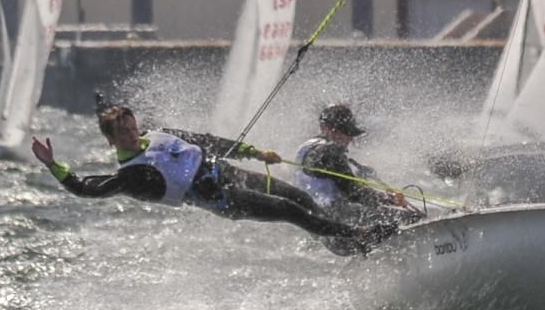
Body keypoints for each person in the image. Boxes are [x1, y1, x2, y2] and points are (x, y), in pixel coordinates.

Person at [31, 106, 390, 253]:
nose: (129, 133)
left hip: (234, 174)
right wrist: (53, 165)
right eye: (121, 133)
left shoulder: (158, 134)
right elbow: (87, 189)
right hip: (224, 199)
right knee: (287, 210)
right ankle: (360, 237)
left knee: (301, 198)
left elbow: (208, 142)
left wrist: (253, 151)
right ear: (110, 140)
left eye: (130, 126)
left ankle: (342, 242)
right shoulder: (132, 176)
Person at [295, 104, 423, 253]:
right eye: (345, 133)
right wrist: (387, 199)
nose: (349, 139)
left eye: (350, 133)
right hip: (341, 223)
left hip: (323, 231)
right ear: (327, 129)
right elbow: (354, 193)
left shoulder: (305, 149)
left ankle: (378, 258)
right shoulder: (330, 151)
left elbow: (334, 179)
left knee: (382, 225)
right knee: (411, 218)